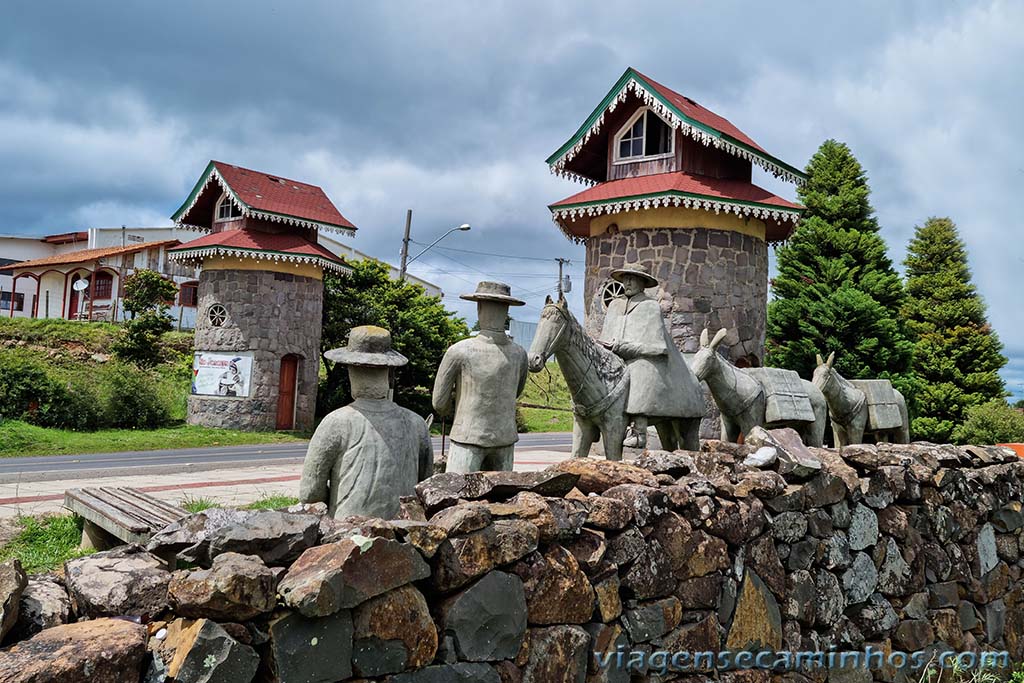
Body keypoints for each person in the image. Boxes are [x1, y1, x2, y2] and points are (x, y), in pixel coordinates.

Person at [299, 325, 432, 519]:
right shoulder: (417, 423)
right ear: (389, 371)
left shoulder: (335, 422)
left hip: (348, 537)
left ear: (351, 369)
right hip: (407, 536)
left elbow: (309, 493)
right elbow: (427, 487)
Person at [598, 265, 704, 449]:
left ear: (643, 283)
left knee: (640, 366)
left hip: (645, 359)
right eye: (625, 278)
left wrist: (626, 348)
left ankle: (638, 429)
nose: (628, 282)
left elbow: (657, 347)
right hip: (614, 356)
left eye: (633, 278)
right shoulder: (614, 306)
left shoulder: (650, 307)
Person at [433, 281, 528, 472]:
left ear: (479, 308)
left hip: (467, 437)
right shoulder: (519, 354)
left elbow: (439, 402)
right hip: (505, 438)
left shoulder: (459, 351)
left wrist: (452, 410)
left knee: (456, 495)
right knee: (503, 499)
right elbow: (516, 392)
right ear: (506, 311)